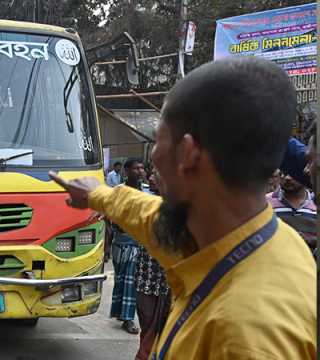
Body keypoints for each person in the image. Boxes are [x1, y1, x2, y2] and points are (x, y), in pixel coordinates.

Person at [50, 57, 315, 359]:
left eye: (158, 140)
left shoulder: (243, 335)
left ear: (188, 153)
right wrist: (99, 195)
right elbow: (152, 218)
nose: (154, 161)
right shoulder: (261, 240)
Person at [135, 170, 170, 360]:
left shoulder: (182, 210)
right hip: (145, 278)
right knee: (147, 322)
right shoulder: (147, 203)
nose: (151, 178)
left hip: (167, 284)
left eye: (158, 174)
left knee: (162, 328)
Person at [109, 158, 145, 335]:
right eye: (136, 168)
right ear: (127, 170)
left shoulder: (146, 192)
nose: (140, 171)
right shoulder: (118, 191)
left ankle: (128, 318)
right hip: (121, 242)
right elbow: (110, 217)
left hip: (138, 244)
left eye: (142, 168)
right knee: (121, 280)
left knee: (131, 281)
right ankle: (122, 314)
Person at [266, 173, 316, 252]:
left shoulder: (316, 203)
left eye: (293, 173)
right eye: (283, 173)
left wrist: (311, 241)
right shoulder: (265, 202)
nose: (287, 178)